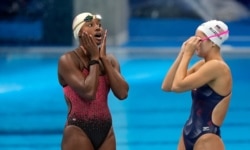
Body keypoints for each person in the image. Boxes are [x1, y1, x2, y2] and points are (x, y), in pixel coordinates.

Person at [57, 12, 129, 150]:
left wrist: (104, 61)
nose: (98, 28)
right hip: (78, 130)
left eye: (99, 25)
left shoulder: (111, 60)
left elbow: (123, 93)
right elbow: (89, 92)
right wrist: (94, 59)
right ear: (79, 33)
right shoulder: (67, 61)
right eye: (90, 25)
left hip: (106, 131)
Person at [161, 20, 232, 150]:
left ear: (212, 42)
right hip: (189, 131)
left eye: (199, 39)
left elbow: (178, 86)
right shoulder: (202, 65)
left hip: (207, 137)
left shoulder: (218, 67)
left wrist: (188, 55)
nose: (195, 44)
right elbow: (167, 85)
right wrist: (182, 54)